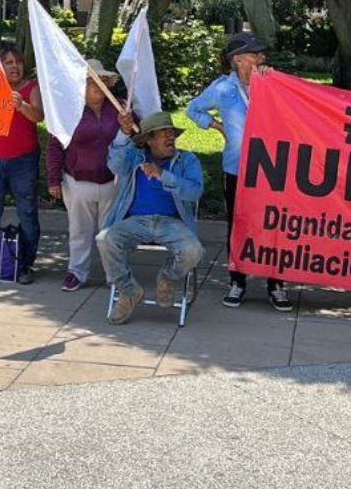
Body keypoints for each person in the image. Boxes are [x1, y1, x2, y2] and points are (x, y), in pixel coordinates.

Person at [187, 32, 290, 311]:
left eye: (260, 54)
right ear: (237, 60)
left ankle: (276, 284)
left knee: (274, 225)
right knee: (238, 225)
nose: (261, 58)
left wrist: (272, 80)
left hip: (270, 169)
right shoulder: (222, 89)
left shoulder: (271, 83)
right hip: (236, 168)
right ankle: (238, 281)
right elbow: (192, 109)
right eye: (255, 54)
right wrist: (218, 127)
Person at [96, 111, 206, 324]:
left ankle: (167, 277)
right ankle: (129, 291)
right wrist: (123, 132)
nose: (170, 137)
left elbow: (194, 192)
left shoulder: (187, 160)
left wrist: (163, 175)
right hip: (135, 221)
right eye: (164, 133)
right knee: (104, 240)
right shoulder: (134, 157)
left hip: (172, 222)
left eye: (172, 132)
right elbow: (115, 165)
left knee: (193, 251)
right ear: (148, 140)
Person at [46, 59, 123, 292]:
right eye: (92, 82)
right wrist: (53, 179)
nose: (98, 87)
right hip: (77, 181)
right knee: (79, 230)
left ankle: (115, 275)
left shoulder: (119, 109)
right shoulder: (69, 112)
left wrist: (129, 125)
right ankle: (77, 272)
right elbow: (54, 145)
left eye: (102, 82)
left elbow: (136, 138)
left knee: (110, 232)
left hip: (112, 181)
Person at [0, 43, 44, 283]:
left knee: (27, 213)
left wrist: (21, 106)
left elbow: (39, 115)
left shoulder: (30, 88)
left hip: (23, 161)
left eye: (17, 61)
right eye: (8, 62)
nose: (15, 66)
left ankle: (25, 265)